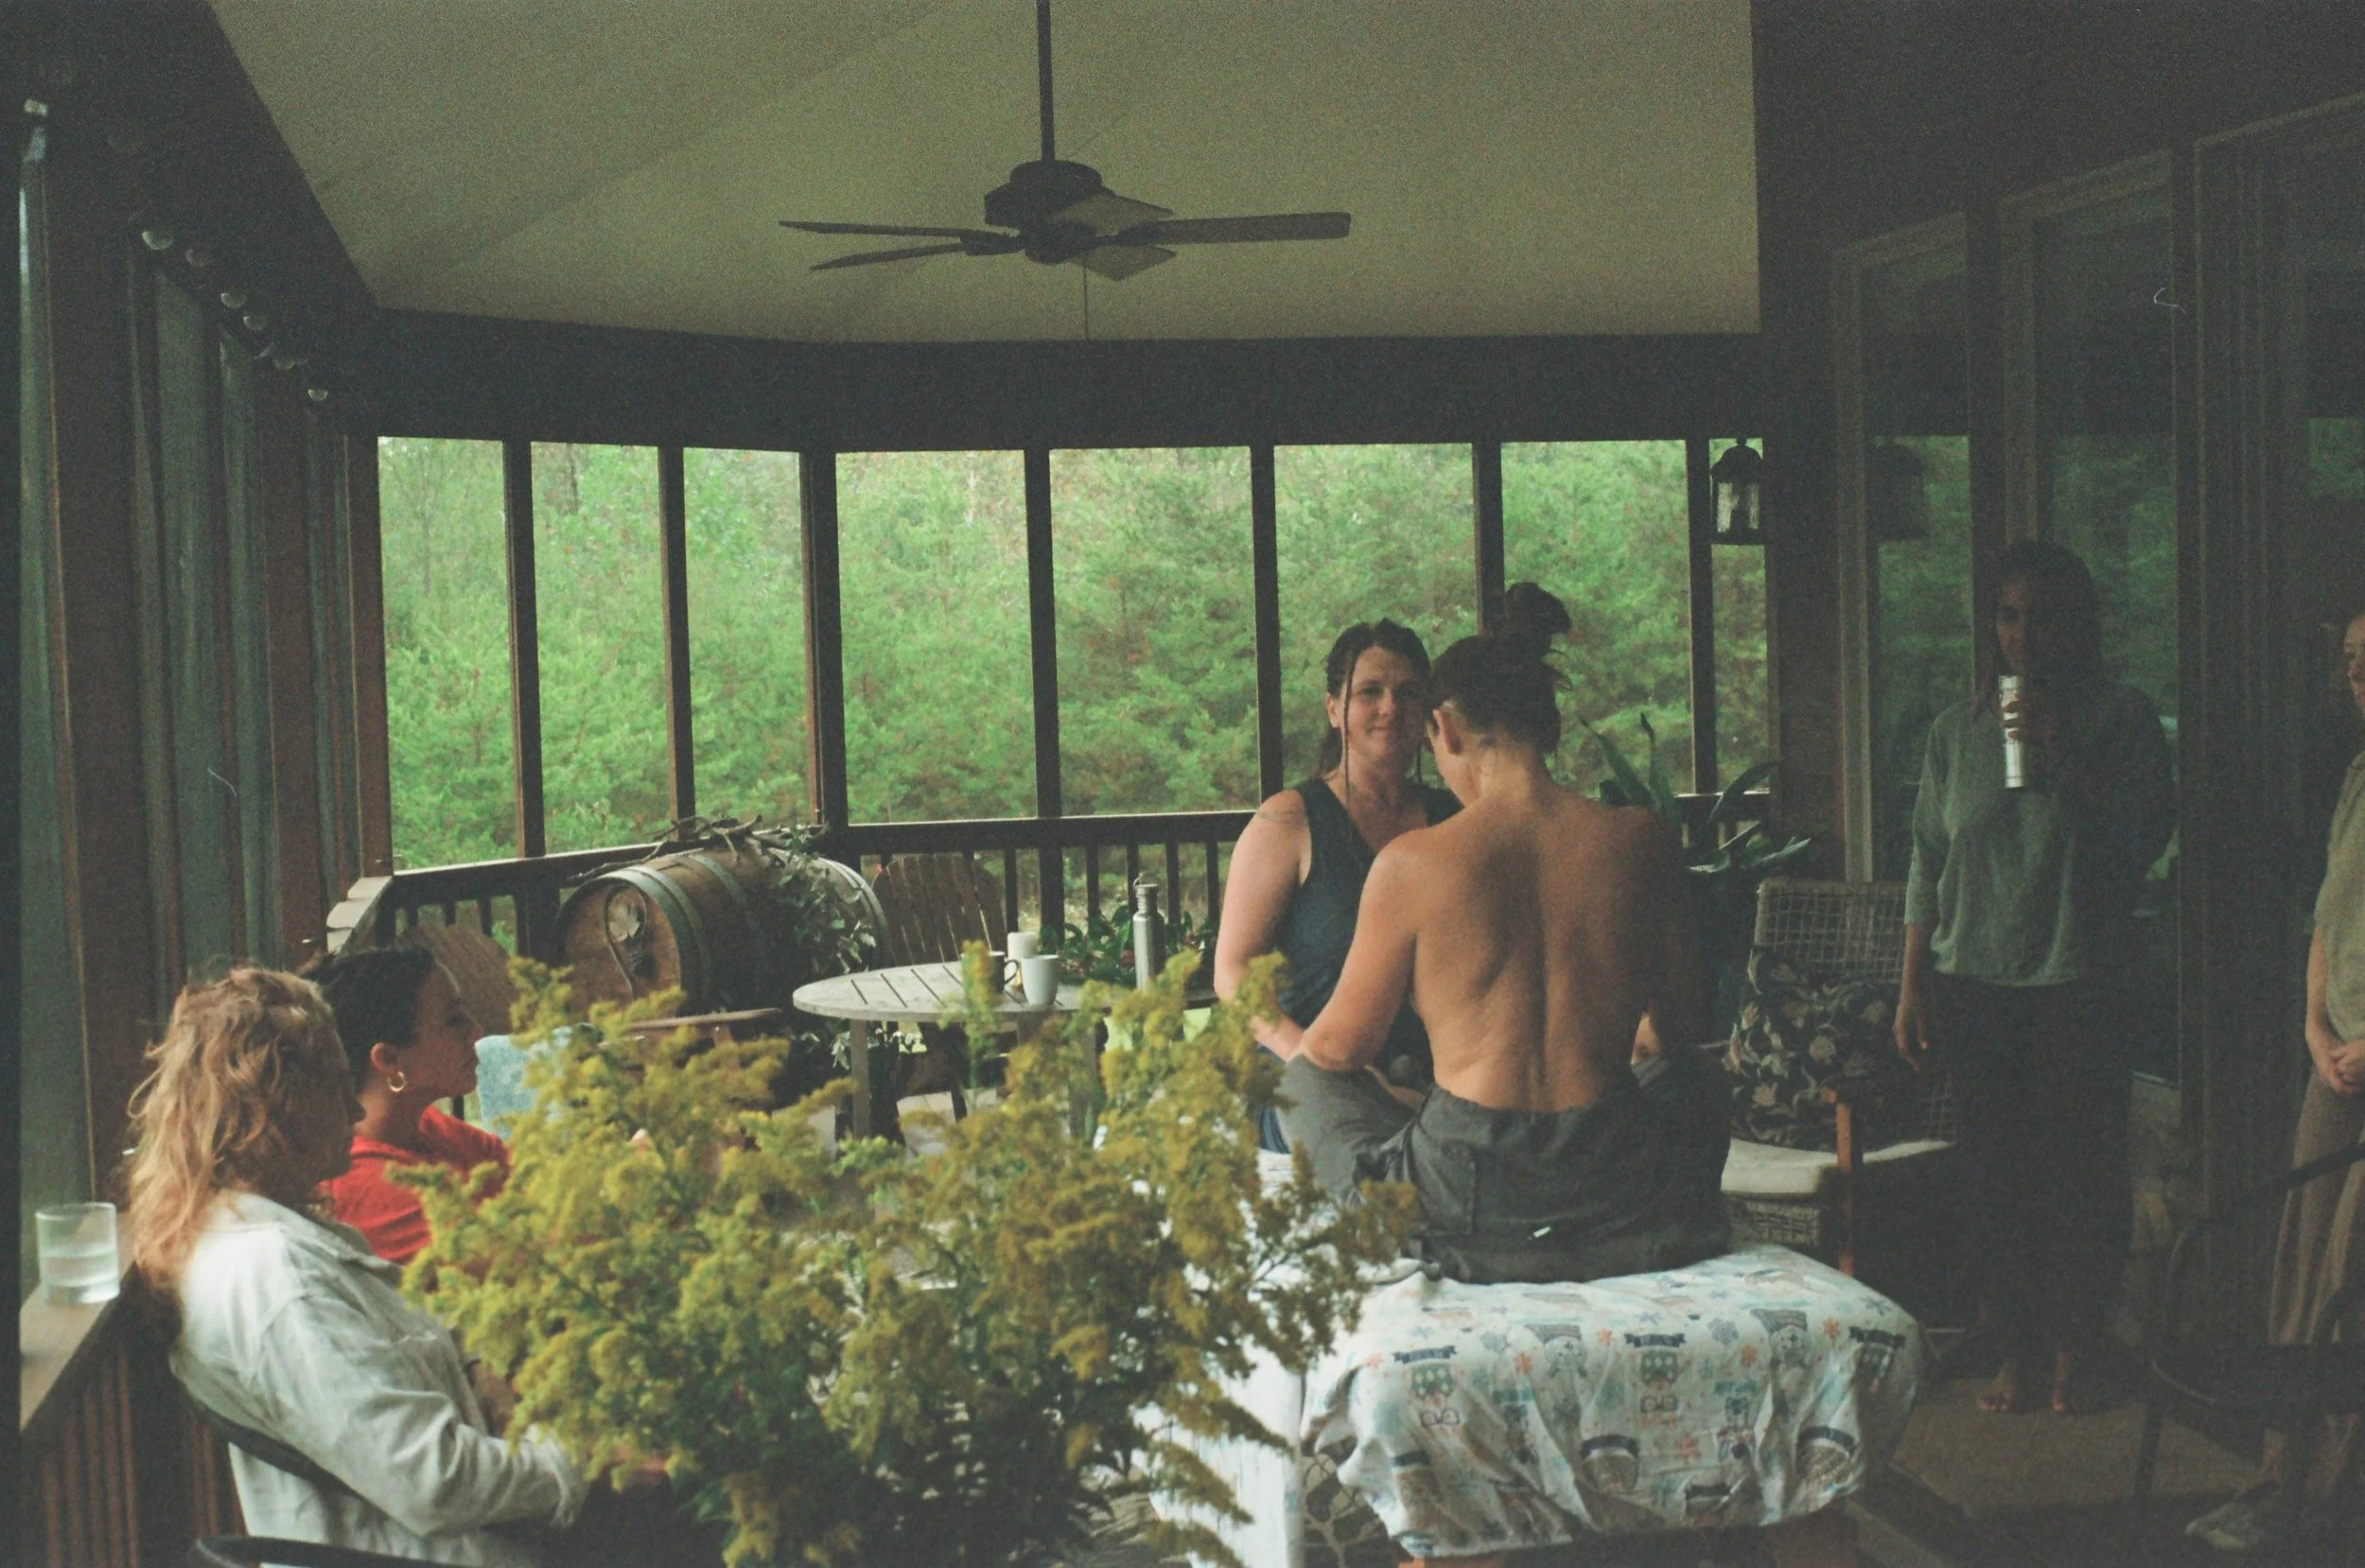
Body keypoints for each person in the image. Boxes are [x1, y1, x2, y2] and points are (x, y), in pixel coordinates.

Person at [1276, 587, 1731, 1283]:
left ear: (1447, 733)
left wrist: (1399, 1102)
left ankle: (1473, 1238)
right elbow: (1677, 1028)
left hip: (1467, 1196)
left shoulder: (1413, 863)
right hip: (1619, 1185)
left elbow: (1340, 1048)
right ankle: (1603, 1232)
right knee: (1694, 1078)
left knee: (1305, 1079)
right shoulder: (1644, 840)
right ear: (1547, 730)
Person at [124, 967, 588, 1566]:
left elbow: (421, 1346)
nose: (352, 1107)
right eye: (337, 1087)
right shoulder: (276, 1282)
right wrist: (575, 1460)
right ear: (276, 1110)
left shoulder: (264, 1227)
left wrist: (486, 1376)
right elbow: (436, 1482)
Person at [1892, 541, 2175, 1415]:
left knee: (2082, 1177)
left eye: (2040, 614)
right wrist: (1910, 983)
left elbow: (2144, 840)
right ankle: (2015, 1350)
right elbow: (1926, 860)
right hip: (1975, 982)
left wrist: (2064, 755)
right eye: (2008, 614)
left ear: (2077, 623)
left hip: (2080, 983)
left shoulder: (2122, 719)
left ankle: (2077, 1350)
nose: (2022, 632)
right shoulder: (1958, 729)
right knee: (1995, 1178)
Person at [2188, 605, 2365, 1553]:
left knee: (2350, 1276)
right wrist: (2310, 1024)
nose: (2358, 674)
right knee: (2300, 1260)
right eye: (2348, 659)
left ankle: (2327, 1504)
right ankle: (2275, 1479)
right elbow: (2326, 919)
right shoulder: (2354, 777)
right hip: (2333, 1060)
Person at [1215, 615, 1463, 1150]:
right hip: (1311, 1080)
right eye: (1369, 692)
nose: (1390, 708)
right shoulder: (1290, 820)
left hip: (1432, 1079)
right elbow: (1233, 973)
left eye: (1407, 693)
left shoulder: (1454, 818)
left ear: (1428, 713)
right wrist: (1310, 1059)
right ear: (1335, 710)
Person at [307, 945, 510, 1265]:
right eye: (454, 1020)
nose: (476, 1031)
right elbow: (536, 1260)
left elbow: (532, 1177)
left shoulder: (423, 1126)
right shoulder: (363, 1184)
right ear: (390, 1059)